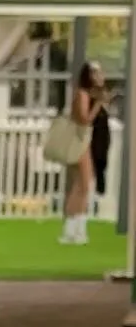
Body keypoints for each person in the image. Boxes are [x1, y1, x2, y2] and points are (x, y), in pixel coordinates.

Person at [61, 59, 103, 242]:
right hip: (79, 141)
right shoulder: (83, 94)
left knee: (80, 186)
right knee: (84, 185)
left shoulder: (84, 93)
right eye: (96, 73)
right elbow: (85, 119)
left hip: (80, 141)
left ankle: (71, 230)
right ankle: (77, 230)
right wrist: (98, 105)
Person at [89, 66, 111, 213]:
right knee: (94, 166)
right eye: (97, 75)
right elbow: (89, 117)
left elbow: (106, 104)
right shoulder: (90, 95)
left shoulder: (102, 93)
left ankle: (99, 198)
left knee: (101, 167)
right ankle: (93, 201)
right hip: (94, 137)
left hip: (103, 137)